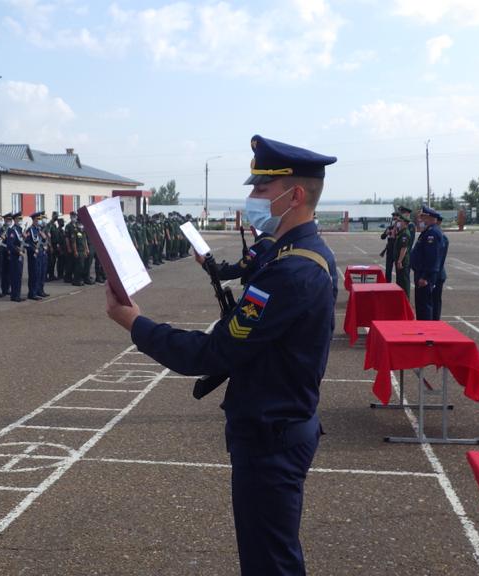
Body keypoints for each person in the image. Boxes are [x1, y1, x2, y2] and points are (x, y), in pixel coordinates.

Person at [106, 134, 337, 576]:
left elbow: (212, 353)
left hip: (272, 438)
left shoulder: (292, 270)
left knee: (270, 564)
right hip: (279, 427)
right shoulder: (298, 254)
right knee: (269, 555)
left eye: (263, 189)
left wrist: (133, 322)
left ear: (297, 195)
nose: (252, 198)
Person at [409, 206, 445, 321]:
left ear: (429, 218)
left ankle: (427, 333)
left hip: (425, 275)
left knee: (425, 306)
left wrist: (425, 277)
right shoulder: (428, 232)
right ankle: (423, 329)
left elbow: (432, 258)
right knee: (422, 305)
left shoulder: (432, 234)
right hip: (422, 273)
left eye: (423, 217)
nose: (421, 220)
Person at [393, 213, 412, 298]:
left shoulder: (405, 233)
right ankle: (401, 297)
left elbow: (404, 248)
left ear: (404, 222)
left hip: (403, 261)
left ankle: (406, 298)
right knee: (400, 280)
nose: (398, 222)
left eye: (400, 221)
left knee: (404, 280)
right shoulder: (401, 232)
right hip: (400, 259)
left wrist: (400, 261)